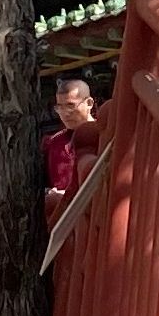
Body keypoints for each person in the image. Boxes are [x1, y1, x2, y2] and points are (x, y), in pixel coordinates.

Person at [42, 75, 101, 226]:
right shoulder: (54, 143)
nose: (64, 113)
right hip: (62, 219)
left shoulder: (104, 135)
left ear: (89, 103)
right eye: (59, 107)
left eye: (70, 106)